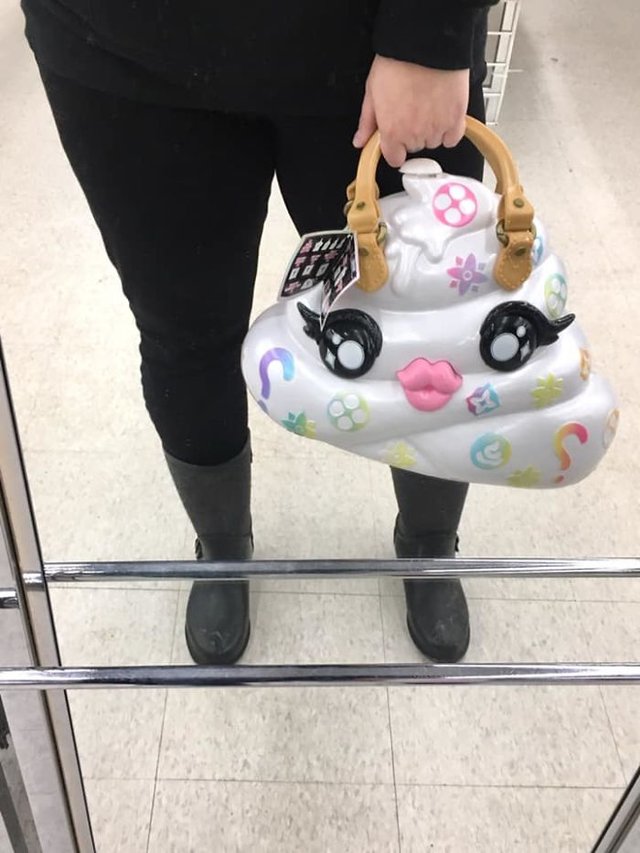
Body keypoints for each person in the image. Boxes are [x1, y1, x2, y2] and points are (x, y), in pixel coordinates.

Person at [21, 0, 498, 665]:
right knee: (184, 334)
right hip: (122, 50)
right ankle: (222, 546)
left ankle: (428, 538)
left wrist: (432, 29)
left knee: (427, 326)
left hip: (370, 42)